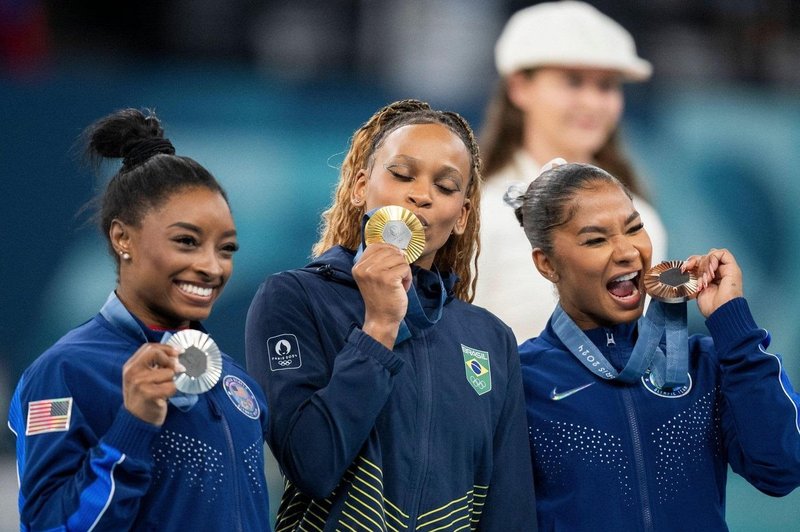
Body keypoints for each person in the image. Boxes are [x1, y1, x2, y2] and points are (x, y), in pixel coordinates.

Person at [246, 99, 536, 530]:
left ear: (462, 216)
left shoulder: (489, 339)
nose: (421, 194)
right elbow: (312, 464)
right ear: (361, 186)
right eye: (401, 174)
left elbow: (508, 512)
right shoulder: (295, 298)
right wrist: (379, 326)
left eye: (446, 186)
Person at [7, 109, 271, 531]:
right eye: (187, 241)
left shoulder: (237, 385)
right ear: (122, 238)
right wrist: (133, 426)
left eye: (226, 249)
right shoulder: (64, 373)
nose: (212, 267)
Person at [512, 161, 800, 531]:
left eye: (634, 228)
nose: (627, 251)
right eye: (596, 239)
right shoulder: (522, 379)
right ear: (547, 264)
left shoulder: (704, 363)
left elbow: (783, 468)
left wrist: (733, 326)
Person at [475, 0, 668, 342]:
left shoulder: (643, 219)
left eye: (606, 86)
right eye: (573, 82)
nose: (592, 103)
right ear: (520, 87)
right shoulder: (478, 212)